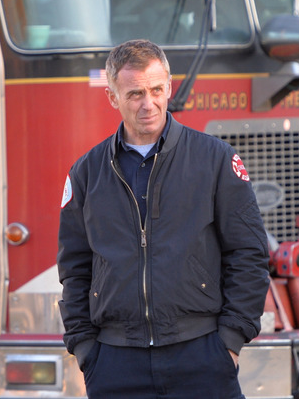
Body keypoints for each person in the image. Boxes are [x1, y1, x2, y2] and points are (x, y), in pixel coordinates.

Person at [57, 39, 270, 398]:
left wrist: (230, 342)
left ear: (169, 87)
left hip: (202, 355)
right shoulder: (86, 173)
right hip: (114, 364)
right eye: (135, 93)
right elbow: (75, 267)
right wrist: (85, 349)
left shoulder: (215, 160)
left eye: (157, 90)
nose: (148, 103)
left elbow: (249, 254)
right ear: (113, 98)